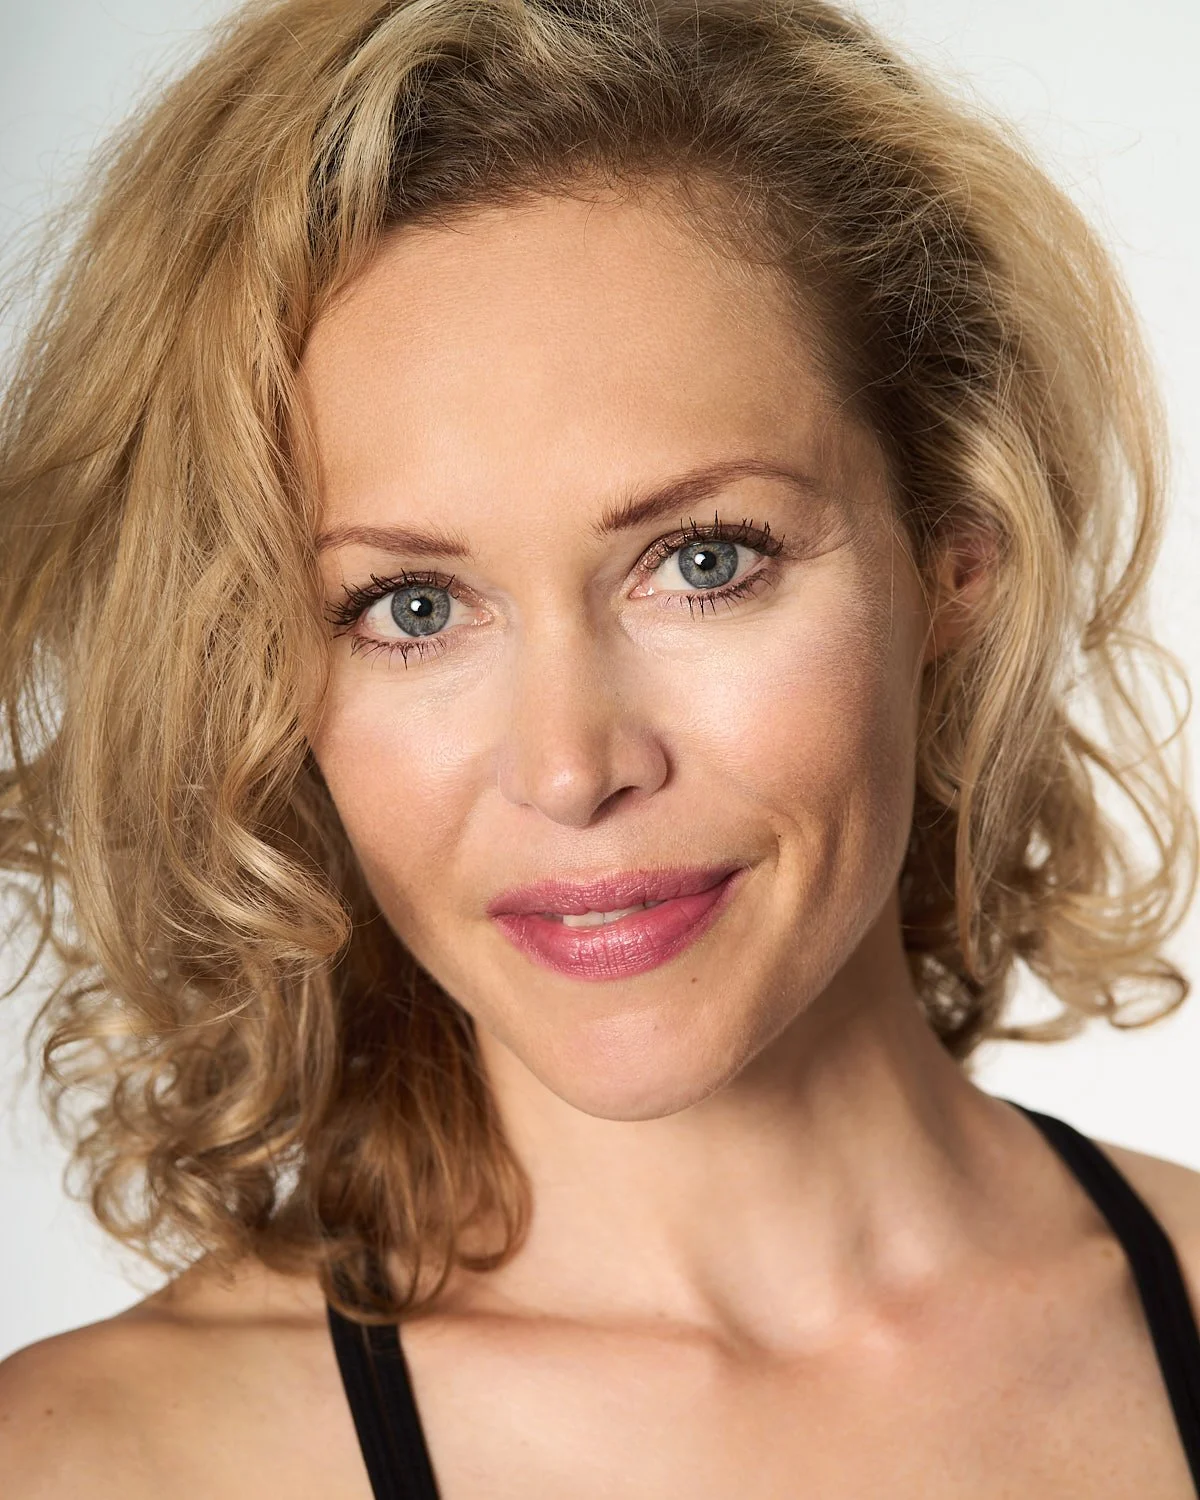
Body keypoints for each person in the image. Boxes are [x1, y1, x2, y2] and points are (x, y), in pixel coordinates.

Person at [1, 0, 1198, 1493]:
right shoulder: (99, 1463)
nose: (572, 769)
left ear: (956, 553)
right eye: (410, 605)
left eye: (704, 560)